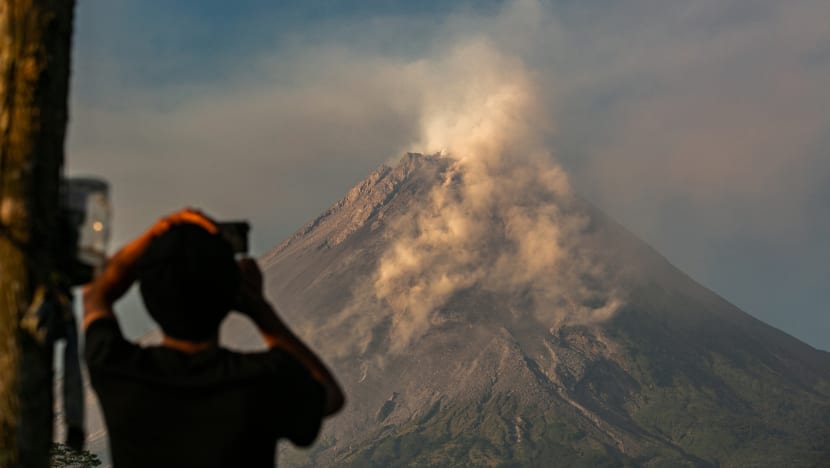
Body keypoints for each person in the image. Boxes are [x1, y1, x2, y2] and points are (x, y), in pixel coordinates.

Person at [82, 209, 344, 467]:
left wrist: (162, 229)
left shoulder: (120, 371)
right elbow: (329, 394)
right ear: (231, 294)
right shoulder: (262, 379)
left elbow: (96, 292)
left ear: (147, 299)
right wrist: (261, 310)